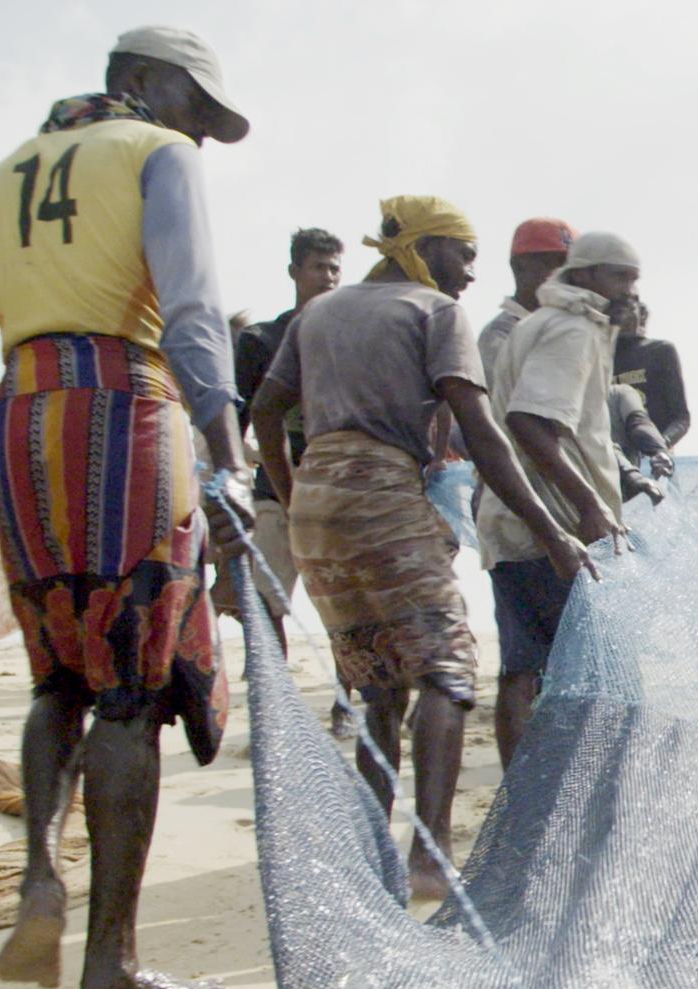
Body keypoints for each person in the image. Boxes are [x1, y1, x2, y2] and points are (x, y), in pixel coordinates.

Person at [0, 26, 255, 989]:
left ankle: (42, 873)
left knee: (60, 673)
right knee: (133, 692)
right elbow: (192, 310)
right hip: (126, 410)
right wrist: (229, 458)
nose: (203, 135)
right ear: (138, 83)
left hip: (27, 420)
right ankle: (113, 972)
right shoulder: (154, 154)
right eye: (197, 106)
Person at [248, 197, 599, 898]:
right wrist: (553, 528)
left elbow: (264, 410)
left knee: (378, 684)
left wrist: (294, 502)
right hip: (382, 486)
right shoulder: (434, 312)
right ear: (426, 246)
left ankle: (373, 854)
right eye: (463, 254)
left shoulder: (320, 312)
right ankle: (430, 856)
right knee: (446, 671)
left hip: (318, 494)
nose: (470, 272)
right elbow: (481, 426)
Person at [479, 230, 650, 767]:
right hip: (556, 532)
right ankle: (593, 797)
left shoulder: (537, 323)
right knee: (607, 677)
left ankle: (524, 800)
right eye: (619, 276)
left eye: (634, 279)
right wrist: (589, 507)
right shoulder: (573, 329)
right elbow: (530, 422)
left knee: (523, 667)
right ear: (583, 275)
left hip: (512, 523)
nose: (629, 290)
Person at [230, 226, 344, 649]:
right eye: (318, 267)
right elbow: (241, 415)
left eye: (334, 269)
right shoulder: (262, 341)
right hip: (275, 491)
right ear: (294, 271)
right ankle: (277, 688)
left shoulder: (346, 337)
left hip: (334, 490)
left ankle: (343, 700)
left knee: (343, 603)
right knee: (265, 600)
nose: (328, 277)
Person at [478, 217, 574, 383]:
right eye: (555, 264)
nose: (565, 276)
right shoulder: (501, 335)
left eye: (570, 267)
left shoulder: (572, 327)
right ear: (520, 267)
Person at [612, 299, 689, 448]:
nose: (625, 317)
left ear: (640, 315)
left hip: (654, 457)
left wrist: (659, 447)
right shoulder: (597, 358)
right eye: (618, 311)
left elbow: (681, 418)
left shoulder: (660, 351)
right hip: (610, 458)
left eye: (630, 309)